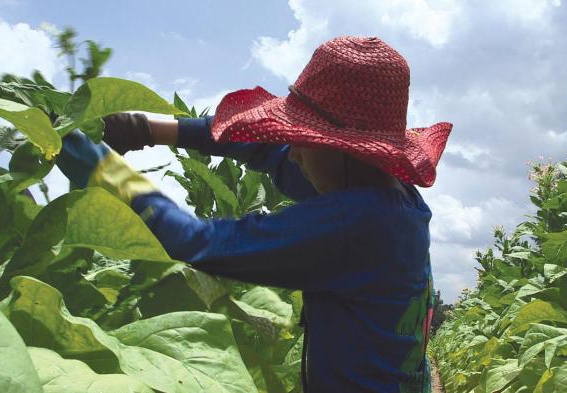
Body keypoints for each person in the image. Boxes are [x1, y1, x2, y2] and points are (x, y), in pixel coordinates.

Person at [56, 35, 452, 392]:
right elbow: (267, 150)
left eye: (304, 139)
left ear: (345, 150)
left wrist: (99, 167)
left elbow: (199, 243)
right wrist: (150, 129)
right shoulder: (393, 199)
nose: (293, 151)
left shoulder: (358, 224)